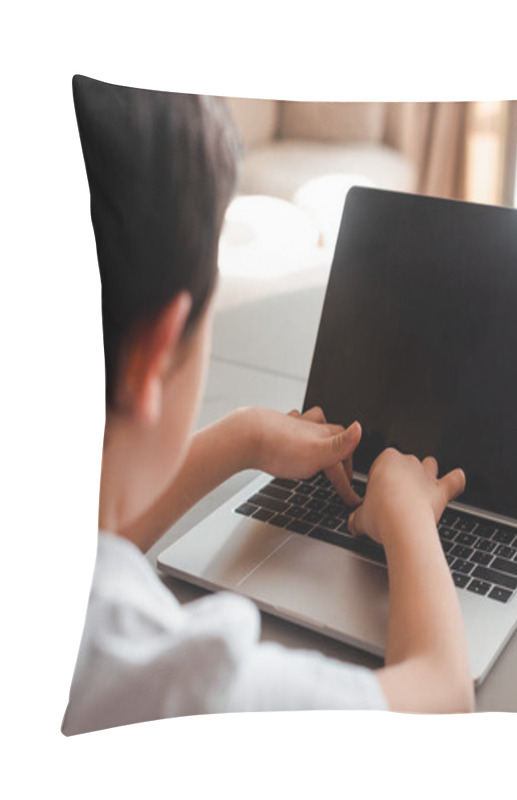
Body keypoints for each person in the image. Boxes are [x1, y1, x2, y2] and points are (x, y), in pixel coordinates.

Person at [62, 75, 474, 735]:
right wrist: (408, 519)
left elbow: (86, 550)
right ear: (156, 354)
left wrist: (242, 439)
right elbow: (443, 696)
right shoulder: (161, 679)